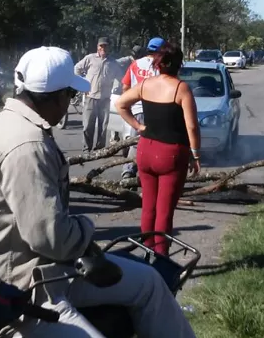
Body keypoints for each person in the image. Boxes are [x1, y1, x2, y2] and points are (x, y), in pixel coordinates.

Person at [0, 46, 204, 338]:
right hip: (15, 293)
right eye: (69, 95)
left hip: (44, 271)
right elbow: (51, 238)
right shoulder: (26, 145)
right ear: (57, 95)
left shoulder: (17, 125)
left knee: (149, 282)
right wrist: (87, 238)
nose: (70, 102)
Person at [116, 43, 201, 255]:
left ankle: (146, 249)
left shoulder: (145, 84)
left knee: (148, 206)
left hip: (146, 149)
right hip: (171, 153)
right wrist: (196, 153)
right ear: (179, 64)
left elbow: (121, 104)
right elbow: (191, 125)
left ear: (158, 63)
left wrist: (138, 126)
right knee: (164, 210)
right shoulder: (181, 88)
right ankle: (161, 256)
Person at [118, 37, 166, 187]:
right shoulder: (161, 66)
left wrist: (131, 102)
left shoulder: (135, 64)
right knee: (156, 143)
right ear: (161, 50)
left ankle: (128, 173)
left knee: (135, 143)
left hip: (137, 110)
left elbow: (125, 87)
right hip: (157, 111)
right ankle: (153, 174)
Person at [75, 37, 122, 152]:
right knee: (87, 126)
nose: (103, 48)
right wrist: (82, 85)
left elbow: (122, 78)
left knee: (103, 127)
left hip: (105, 99)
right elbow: (77, 69)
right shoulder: (90, 58)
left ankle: (100, 149)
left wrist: (118, 89)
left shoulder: (113, 63)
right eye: (101, 46)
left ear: (109, 48)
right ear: (97, 47)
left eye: (105, 46)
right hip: (91, 97)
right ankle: (87, 148)